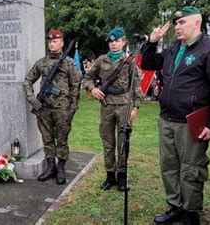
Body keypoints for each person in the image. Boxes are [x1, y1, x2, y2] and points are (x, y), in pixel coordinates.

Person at [140, 6, 210, 224]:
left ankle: (191, 213)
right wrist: (152, 42)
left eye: (182, 23)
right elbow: (148, 63)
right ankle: (176, 206)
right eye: (176, 23)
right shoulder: (173, 49)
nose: (177, 27)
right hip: (167, 119)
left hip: (192, 122)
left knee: (191, 169)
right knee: (169, 166)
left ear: (197, 23)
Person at [82, 27, 142, 192]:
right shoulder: (101, 60)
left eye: (117, 41)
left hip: (124, 105)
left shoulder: (130, 59)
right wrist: (93, 89)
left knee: (123, 141)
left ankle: (121, 176)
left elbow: (136, 83)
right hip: (106, 105)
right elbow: (87, 78)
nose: (113, 44)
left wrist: (135, 107)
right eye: (111, 41)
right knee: (108, 142)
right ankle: (110, 176)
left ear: (123, 42)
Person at [23, 29, 82, 185]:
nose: (52, 43)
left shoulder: (69, 63)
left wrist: (72, 108)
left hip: (62, 109)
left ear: (62, 43)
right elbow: (27, 81)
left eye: (55, 41)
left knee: (62, 139)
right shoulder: (41, 63)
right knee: (47, 139)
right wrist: (31, 98)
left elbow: (76, 86)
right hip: (43, 109)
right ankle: (50, 167)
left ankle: (61, 168)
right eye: (50, 41)